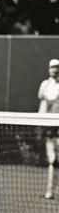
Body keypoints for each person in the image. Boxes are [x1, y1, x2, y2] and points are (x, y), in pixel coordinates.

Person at [38, 58, 59, 199]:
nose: (54, 69)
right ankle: (50, 190)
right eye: (52, 67)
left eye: (57, 67)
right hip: (49, 127)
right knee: (52, 159)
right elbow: (42, 104)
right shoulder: (44, 85)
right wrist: (39, 122)